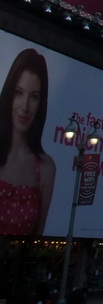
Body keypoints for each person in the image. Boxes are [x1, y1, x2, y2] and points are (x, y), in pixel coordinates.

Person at [0, 48, 56, 236]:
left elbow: (37, 239)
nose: (24, 107)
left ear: (41, 103)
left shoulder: (45, 168)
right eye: (18, 93)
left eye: (33, 97)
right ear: (9, 94)